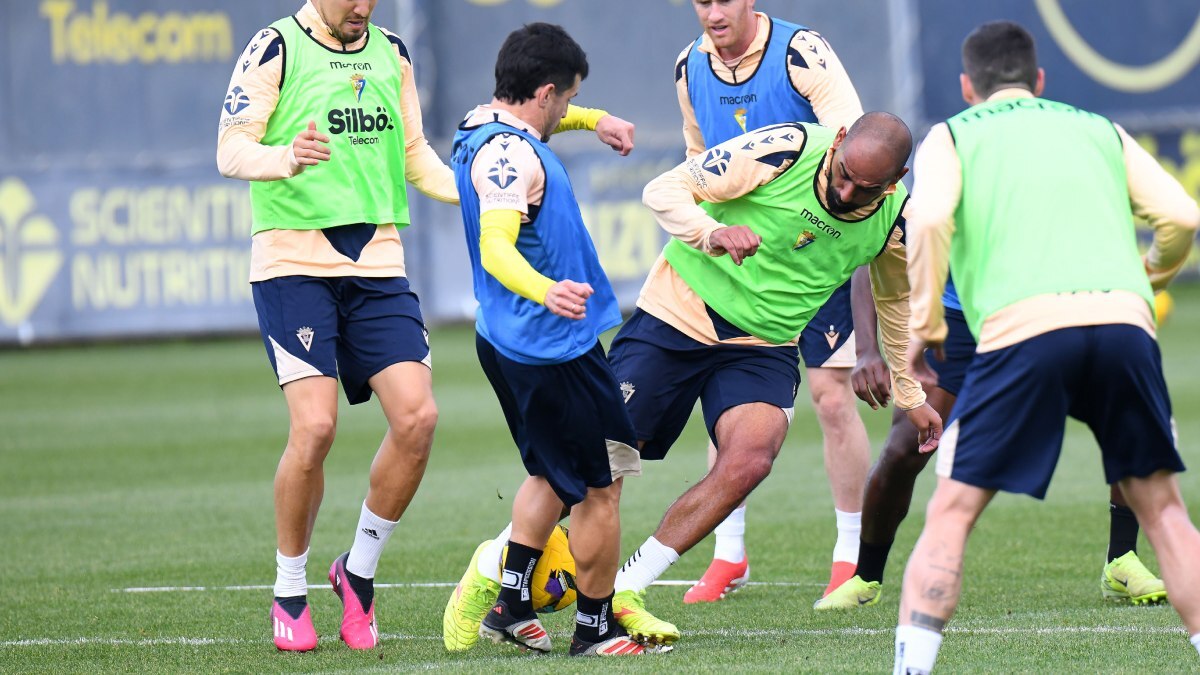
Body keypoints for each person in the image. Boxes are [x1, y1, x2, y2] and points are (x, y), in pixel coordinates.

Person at [892, 21, 1200, 672]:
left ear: (967, 87)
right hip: (1123, 325)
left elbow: (929, 217)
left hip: (1020, 330)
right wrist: (1152, 276)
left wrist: (925, 326)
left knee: (950, 512)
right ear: (1038, 81)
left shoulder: (951, 134)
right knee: (1166, 512)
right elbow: (1181, 217)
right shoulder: (1098, 128)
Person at [605, 111, 941, 645]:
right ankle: (506, 569)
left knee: (752, 457)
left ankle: (625, 589)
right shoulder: (785, 147)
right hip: (680, 311)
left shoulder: (896, 222)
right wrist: (713, 232)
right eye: (843, 173)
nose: (846, 190)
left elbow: (895, 304)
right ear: (836, 143)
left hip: (765, 345)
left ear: (896, 180)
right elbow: (663, 189)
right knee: (604, 458)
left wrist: (909, 390)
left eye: (865, 187)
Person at [216, 0, 454, 652]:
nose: (363, 6)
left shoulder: (393, 54)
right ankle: (289, 589)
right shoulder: (275, 48)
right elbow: (231, 149)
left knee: (418, 419)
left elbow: (415, 155)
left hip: (376, 261)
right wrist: (285, 156)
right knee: (316, 425)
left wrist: (480, 189)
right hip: (292, 261)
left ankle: (358, 573)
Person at [449, 22, 663, 658]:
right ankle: (594, 630)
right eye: (567, 100)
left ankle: (513, 604)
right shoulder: (512, 159)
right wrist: (545, 289)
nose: (568, 108)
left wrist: (594, 120)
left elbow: (535, 126)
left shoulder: (480, 127)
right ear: (544, 92)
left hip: (509, 339)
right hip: (552, 348)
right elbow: (495, 246)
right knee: (604, 485)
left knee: (551, 470)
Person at [673, 0, 873, 604]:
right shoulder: (688, 68)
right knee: (724, 399)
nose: (712, 11)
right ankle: (728, 554)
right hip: (743, 263)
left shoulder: (800, 54)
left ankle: (850, 557)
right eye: (701, 0)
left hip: (815, 256)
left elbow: (858, 149)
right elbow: (697, 160)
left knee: (831, 396)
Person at [816, 274, 1168, 609]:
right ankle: (866, 576)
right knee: (906, 448)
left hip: (1046, 313)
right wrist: (866, 350)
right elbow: (871, 257)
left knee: (1125, 412)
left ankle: (1122, 558)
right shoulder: (917, 208)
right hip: (956, 320)